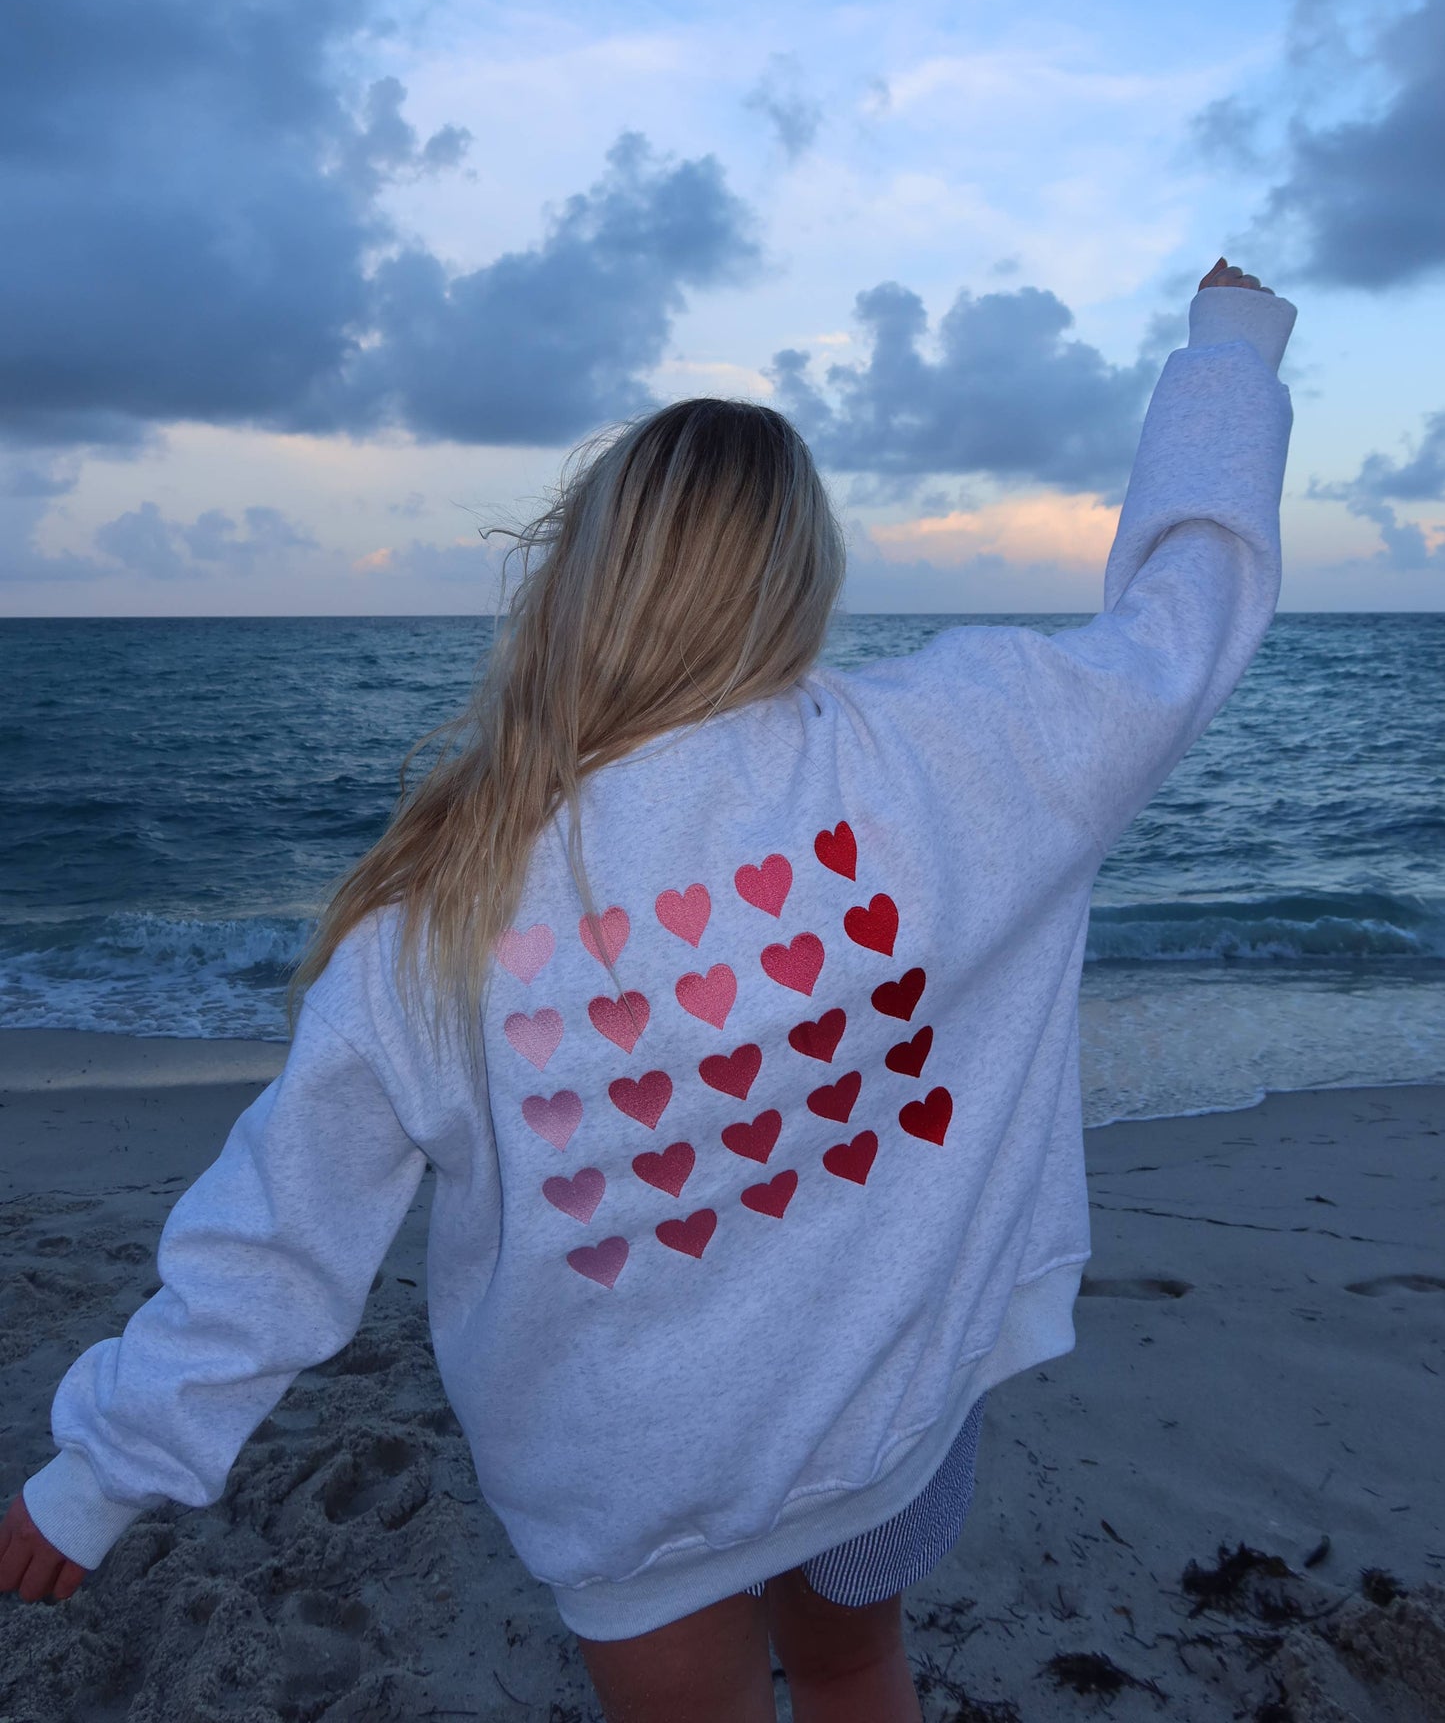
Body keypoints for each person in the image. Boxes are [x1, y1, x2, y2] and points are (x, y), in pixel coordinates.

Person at [2, 260, 1295, 1722]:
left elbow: (283, 1230)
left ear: (583, 576)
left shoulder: (448, 903)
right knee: (861, 1666)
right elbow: (1179, 631)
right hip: (881, 1415)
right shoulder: (951, 754)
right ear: (799, 581)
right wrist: (1227, 356)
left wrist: (100, 1471)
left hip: (637, 1492)